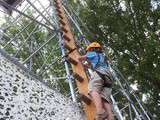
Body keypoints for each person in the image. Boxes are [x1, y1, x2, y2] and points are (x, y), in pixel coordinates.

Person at [79, 42, 114, 120]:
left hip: (100, 73)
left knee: (93, 90)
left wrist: (78, 60)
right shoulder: (102, 57)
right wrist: (86, 66)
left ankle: (100, 112)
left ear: (92, 49)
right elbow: (93, 66)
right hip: (108, 77)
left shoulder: (92, 53)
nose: (88, 52)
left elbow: (80, 58)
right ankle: (110, 117)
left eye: (88, 51)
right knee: (104, 98)